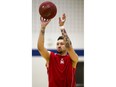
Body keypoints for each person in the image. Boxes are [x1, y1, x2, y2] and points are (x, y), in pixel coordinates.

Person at [37, 13, 78, 87]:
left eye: (62, 44)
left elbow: (69, 47)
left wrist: (62, 27)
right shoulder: (50, 57)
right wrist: (42, 27)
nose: (59, 45)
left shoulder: (73, 59)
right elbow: (40, 48)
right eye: (57, 44)